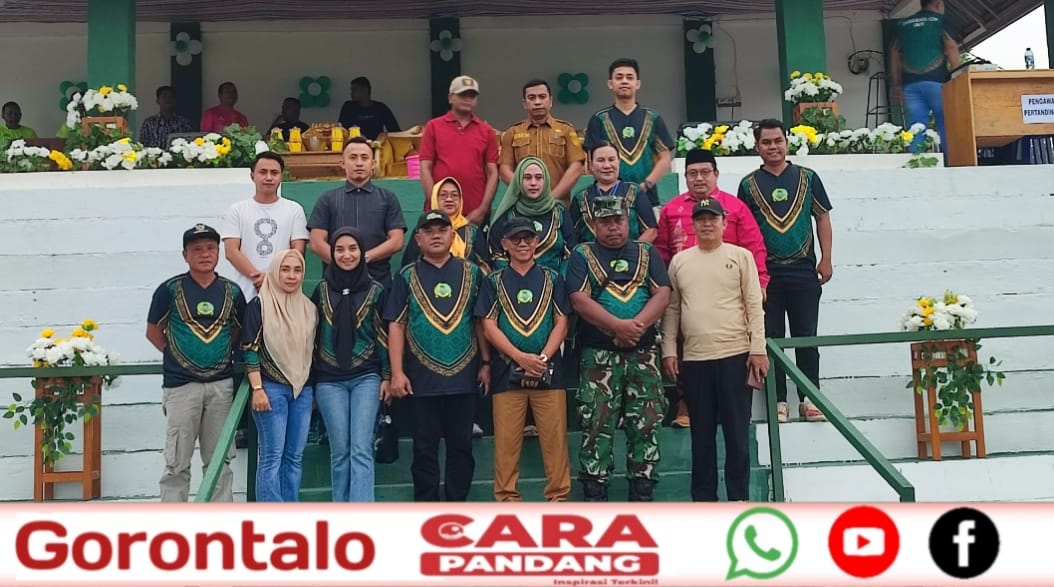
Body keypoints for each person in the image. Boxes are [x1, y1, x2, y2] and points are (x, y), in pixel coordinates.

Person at [565, 196, 671, 502]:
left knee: (647, 421)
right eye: (605, 222)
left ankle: (643, 486)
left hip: (643, 353)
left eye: (618, 220)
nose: (613, 227)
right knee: (596, 421)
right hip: (598, 356)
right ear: (594, 224)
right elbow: (579, 300)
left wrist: (635, 326)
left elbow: (663, 293)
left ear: (629, 221)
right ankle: (595, 488)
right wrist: (617, 326)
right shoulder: (582, 255)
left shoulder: (647, 252)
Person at [661, 198, 768, 502]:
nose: (707, 224)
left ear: (724, 223)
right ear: (693, 225)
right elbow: (672, 309)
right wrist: (668, 349)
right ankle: (704, 500)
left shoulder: (741, 256)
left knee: (737, 435)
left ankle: (738, 498)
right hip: (696, 360)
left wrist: (758, 348)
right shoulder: (680, 261)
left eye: (713, 218)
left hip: (735, 355)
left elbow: (754, 305)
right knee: (701, 436)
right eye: (701, 219)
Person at [654, 148, 769, 429]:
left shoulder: (735, 208)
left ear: (716, 174)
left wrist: (760, 284)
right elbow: (661, 253)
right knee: (685, 339)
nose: (699, 178)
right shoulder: (671, 210)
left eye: (705, 172)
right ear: (685, 177)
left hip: (729, 293)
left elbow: (754, 247)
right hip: (685, 289)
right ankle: (685, 403)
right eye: (692, 173)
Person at [384, 211, 491, 502]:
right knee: (424, 448)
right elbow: (396, 325)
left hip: (464, 375)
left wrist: (485, 363)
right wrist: (397, 372)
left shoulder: (472, 273)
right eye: (428, 230)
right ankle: (427, 506)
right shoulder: (406, 276)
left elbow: (480, 321)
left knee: (461, 446)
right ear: (418, 239)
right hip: (421, 377)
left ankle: (457, 504)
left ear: (452, 236)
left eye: (442, 230)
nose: (435, 235)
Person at [738, 119, 833, 424]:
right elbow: (743, 229)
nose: (773, 147)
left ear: (787, 143)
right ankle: (778, 400)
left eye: (778, 141)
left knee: (806, 337)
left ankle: (810, 398)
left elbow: (822, 218)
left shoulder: (808, 177)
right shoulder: (748, 184)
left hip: (804, 270)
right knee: (772, 338)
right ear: (757, 147)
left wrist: (826, 258)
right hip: (766, 276)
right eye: (766, 142)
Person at [146, 224, 246, 502]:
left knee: (220, 462)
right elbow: (153, 332)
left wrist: (217, 354)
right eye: (197, 249)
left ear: (219, 252)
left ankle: (219, 523)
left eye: (211, 248)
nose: (205, 254)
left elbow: (238, 332)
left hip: (221, 386)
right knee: (177, 461)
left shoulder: (233, 292)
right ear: (185, 255)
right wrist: (178, 357)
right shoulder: (169, 290)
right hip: (181, 387)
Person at [476, 217, 572, 502]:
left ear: (537, 241)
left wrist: (541, 358)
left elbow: (562, 322)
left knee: (555, 442)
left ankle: (558, 501)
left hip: (548, 370)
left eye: (528, 238)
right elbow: (488, 326)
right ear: (504, 244)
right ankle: (507, 502)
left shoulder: (553, 278)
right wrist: (519, 357)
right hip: (506, 371)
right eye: (516, 239)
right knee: (506, 444)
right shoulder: (493, 281)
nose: (522, 243)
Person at [312, 228, 389, 502]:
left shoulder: (376, 290)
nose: (347, 255)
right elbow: (313, 337)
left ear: (362, 252)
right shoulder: (321, 290)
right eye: (340, 249)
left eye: (353, 248)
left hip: (366, 377)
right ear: (332, 253)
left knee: (361, 448)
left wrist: (387, 376)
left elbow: (383, 337)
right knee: (340, 451)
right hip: (329, 380)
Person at [242, 249, 317, 502]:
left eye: (297, 270)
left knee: (294, 457)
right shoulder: (260, 305)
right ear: (275, 272)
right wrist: (257, 388)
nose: (291, 276)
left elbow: (312, 352)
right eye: (285, 270)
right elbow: (249, 349)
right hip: (270, 389)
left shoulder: (309, 309)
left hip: (302, 390)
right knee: (271, 457)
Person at [308, 137, 407, 287]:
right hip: (336, 282)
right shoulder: (327, 199)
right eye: (353, 157)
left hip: (377, 281)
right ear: (342, 163)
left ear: (373, 164)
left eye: (364, 158)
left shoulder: (387, 198)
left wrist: (364, 258)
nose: (359, 163)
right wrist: (342, 262)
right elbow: (316, 242)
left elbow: (397, 241)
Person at [584, 58, 676, 214]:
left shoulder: (652, 118)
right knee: (610, 230)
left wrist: (646, 184)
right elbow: (590, 160)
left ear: (638, 83)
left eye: (630, 77)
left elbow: (665, 158)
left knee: (649, 230)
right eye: (619, 77)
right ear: (610, 84)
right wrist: (611, 186)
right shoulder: (599, 119)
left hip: (648, 198)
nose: (624, 81)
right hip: (608, 198)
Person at [222, 152, 309, 301]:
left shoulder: (294, 209)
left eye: (274, 173)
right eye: (263, 172)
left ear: (281, 176)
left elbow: (297, 251)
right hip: (246, 292)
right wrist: (258, 278)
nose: (269, 177)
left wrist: (272, 277)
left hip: (283, 291)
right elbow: (231, 252)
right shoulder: (237, 210)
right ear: (252, 176)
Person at [419, 75, 500, 224]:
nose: (467, 99)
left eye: (472, 95)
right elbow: (425, 168)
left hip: (475, 213)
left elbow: (493, 172)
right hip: (439, 213)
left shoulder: (487, 131)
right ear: (450, 98)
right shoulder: (433, 127)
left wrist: (482, 210)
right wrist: (435, 206)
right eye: (462, 95)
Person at [889, 0, 960, 152]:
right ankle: (950, 160)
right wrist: (957, 74)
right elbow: (951, 46)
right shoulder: (940, 21)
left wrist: (897, 83)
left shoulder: (902, 24)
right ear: (938, 4)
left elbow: (894, 54)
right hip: (937, 82)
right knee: (945, 122)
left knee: (916, 125)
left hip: (910, 85)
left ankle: (918, 160)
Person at [499, 79, 585, 203]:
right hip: (523, 205)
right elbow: (504, 170)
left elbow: (576, 167)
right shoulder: (512, 133)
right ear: (524, 103)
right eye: (531, 98)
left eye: (542, 97)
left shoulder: (566, 130)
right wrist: (524, 192)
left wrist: (551, 198)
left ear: (550, 101)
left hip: (558, 204)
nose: (537, 102)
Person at [489, 157, 576, 275]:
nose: (533, 183)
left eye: (539, 177)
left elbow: (570, 253)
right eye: (527, 178)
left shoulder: (559, 213)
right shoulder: (507, 214)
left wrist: (558, 280)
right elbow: (497, 255)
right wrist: (515, 279)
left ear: (546, 180)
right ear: (518, 181)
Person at [569, 142, 657, 245]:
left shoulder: (635, 192)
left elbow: (651, 231)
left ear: (619, 162)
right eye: (600, 160)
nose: (607, 165)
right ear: (591, 165)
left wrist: (632, 251)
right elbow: (571, 235)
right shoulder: (580, 198)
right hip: (591, 254)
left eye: (611, 159)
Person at [402, 177, 490, 272]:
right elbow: (409, 266)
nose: (449, 199)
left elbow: (485, 267)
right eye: (443, 195)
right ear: (435, 198)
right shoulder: (422, 229)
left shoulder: (472, 231)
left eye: (454, 195)